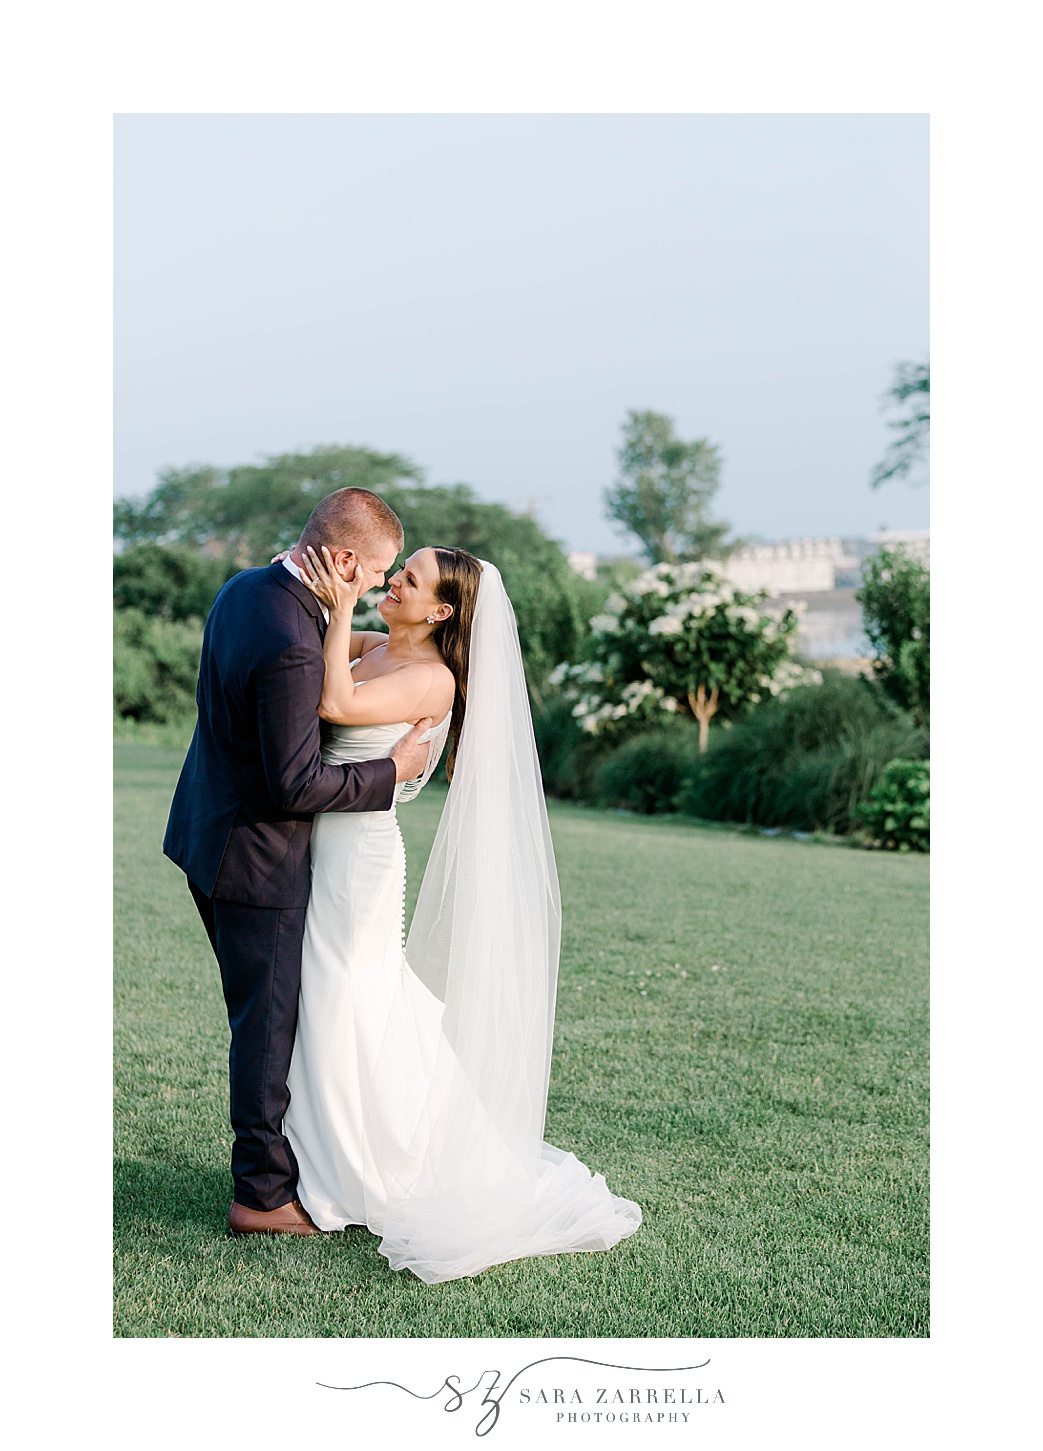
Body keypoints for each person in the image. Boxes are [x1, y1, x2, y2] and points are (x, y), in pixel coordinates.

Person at [282, 540, 641, 1283]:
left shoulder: (432, 679)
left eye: (407, 579)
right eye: (396, 570)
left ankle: (373, 1161)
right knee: (334, 999)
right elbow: (329, 666)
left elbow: (333, 704)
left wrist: (341, 606)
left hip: (359, 856)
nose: (392, 582)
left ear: (441, 609)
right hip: (320, 841)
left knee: (346, 995)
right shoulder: (379, 645)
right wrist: (336, 608)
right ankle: (325, 1148)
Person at [163, 487, 432, 1236]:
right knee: (265, 1027)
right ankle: (262, 1193)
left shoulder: (247, 587)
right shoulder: (292, 637)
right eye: (377, 573)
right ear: (343, 561)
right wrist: (393, 771)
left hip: (207, 832)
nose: (380, 587)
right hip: (259, 858)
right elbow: (296, 783)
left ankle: (296, 1160)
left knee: (271, 1014)